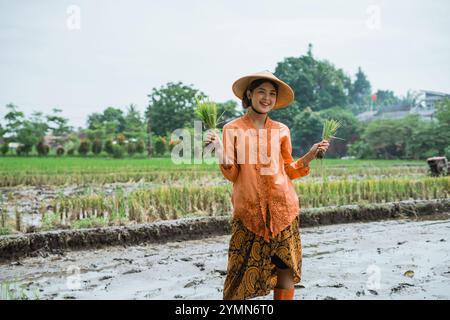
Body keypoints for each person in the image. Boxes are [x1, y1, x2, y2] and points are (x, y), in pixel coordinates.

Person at [204, 71, 329, 300]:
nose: (266, 98)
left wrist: (310, 155)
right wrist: (220, 151)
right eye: (261, 92)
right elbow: (232, 173)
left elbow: (289, 169)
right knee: (238, 273)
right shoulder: (233, 129)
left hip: (283, 210)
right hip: (248, 212)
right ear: (249, 94)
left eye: (272, 94)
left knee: (285, 268)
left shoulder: (281, 130)